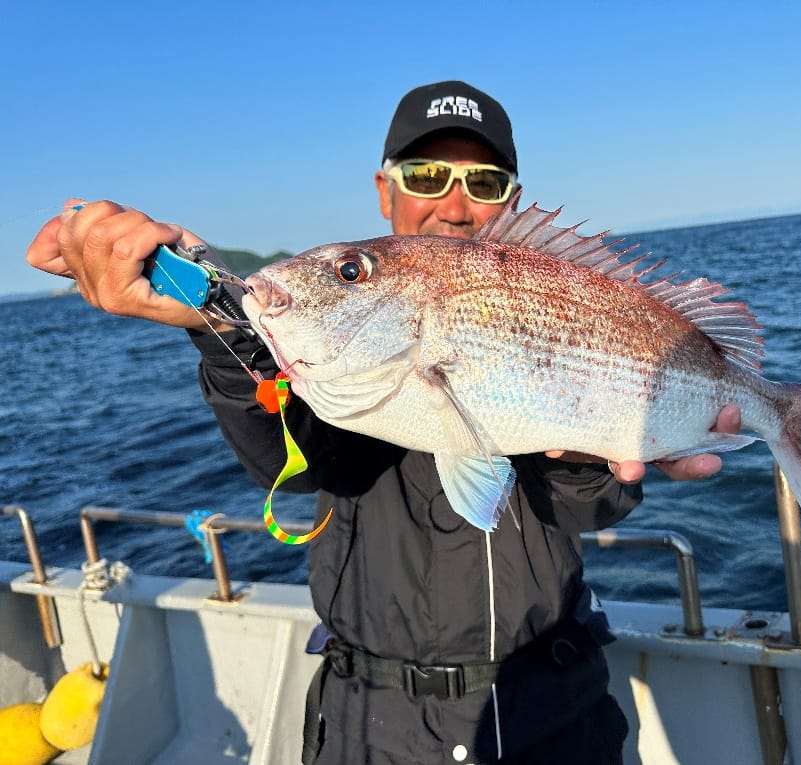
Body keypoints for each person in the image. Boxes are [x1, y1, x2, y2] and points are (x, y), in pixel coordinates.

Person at [27, 81, 740, 764]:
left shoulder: (544, 298)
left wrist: (590, 448)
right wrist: (219, 322)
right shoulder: (341, 371)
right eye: (428, 175)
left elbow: (597, 501)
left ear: (512, 201)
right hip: (371, 724)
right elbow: (293, 455)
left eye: (484, 184)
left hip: (559, 704)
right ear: (385, 189)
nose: (455, 207)